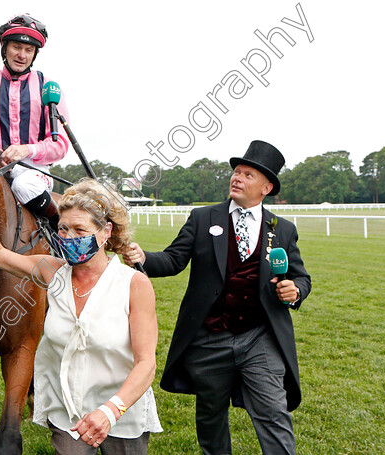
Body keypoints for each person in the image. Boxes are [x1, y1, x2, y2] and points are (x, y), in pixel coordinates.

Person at [124, 140, 311, 455]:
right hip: (209, 337)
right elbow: (173, 260)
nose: (237, 178)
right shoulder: (203, 218)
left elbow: (301, 277)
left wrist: (295, 291)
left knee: (273, 411)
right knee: (210, 417)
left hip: (260, 336)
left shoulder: (282, 229)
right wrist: (143, 257)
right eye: (237, 171)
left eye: (248, 174)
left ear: (266, 187)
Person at [0, 174, 162, 454]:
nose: (69, 237)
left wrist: (110, 412)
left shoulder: (134, 284)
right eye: (63, 229)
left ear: (106, 231)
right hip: (68, 414)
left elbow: (146, 363)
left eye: (79, 229)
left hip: (123, 413)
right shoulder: (53, 272)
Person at [0, 14, 70, 230]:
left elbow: (60, 145)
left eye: (29, 50)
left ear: (35, 54)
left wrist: (26, 150)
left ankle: (58, 230)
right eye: (16, 47)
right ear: (4, 47)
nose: (22, 55)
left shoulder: (47, 86)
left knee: (24, 186)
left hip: (33, 173)